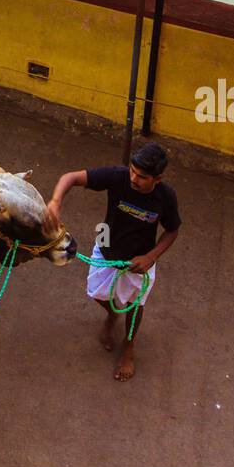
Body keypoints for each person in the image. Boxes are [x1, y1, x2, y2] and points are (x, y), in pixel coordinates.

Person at [47, 142, 181, 383]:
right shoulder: (117, 177)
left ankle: (129, 348)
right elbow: (70, 178)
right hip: (106, 247)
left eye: (141, 177)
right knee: (97, 294)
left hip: (139, 261)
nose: (133, 178)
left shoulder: (166, 197)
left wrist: (151, 257)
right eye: (132, 171)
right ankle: (111, 315)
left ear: (157, 179)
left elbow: (173, 231)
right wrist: (55, 202)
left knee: (134, 306)